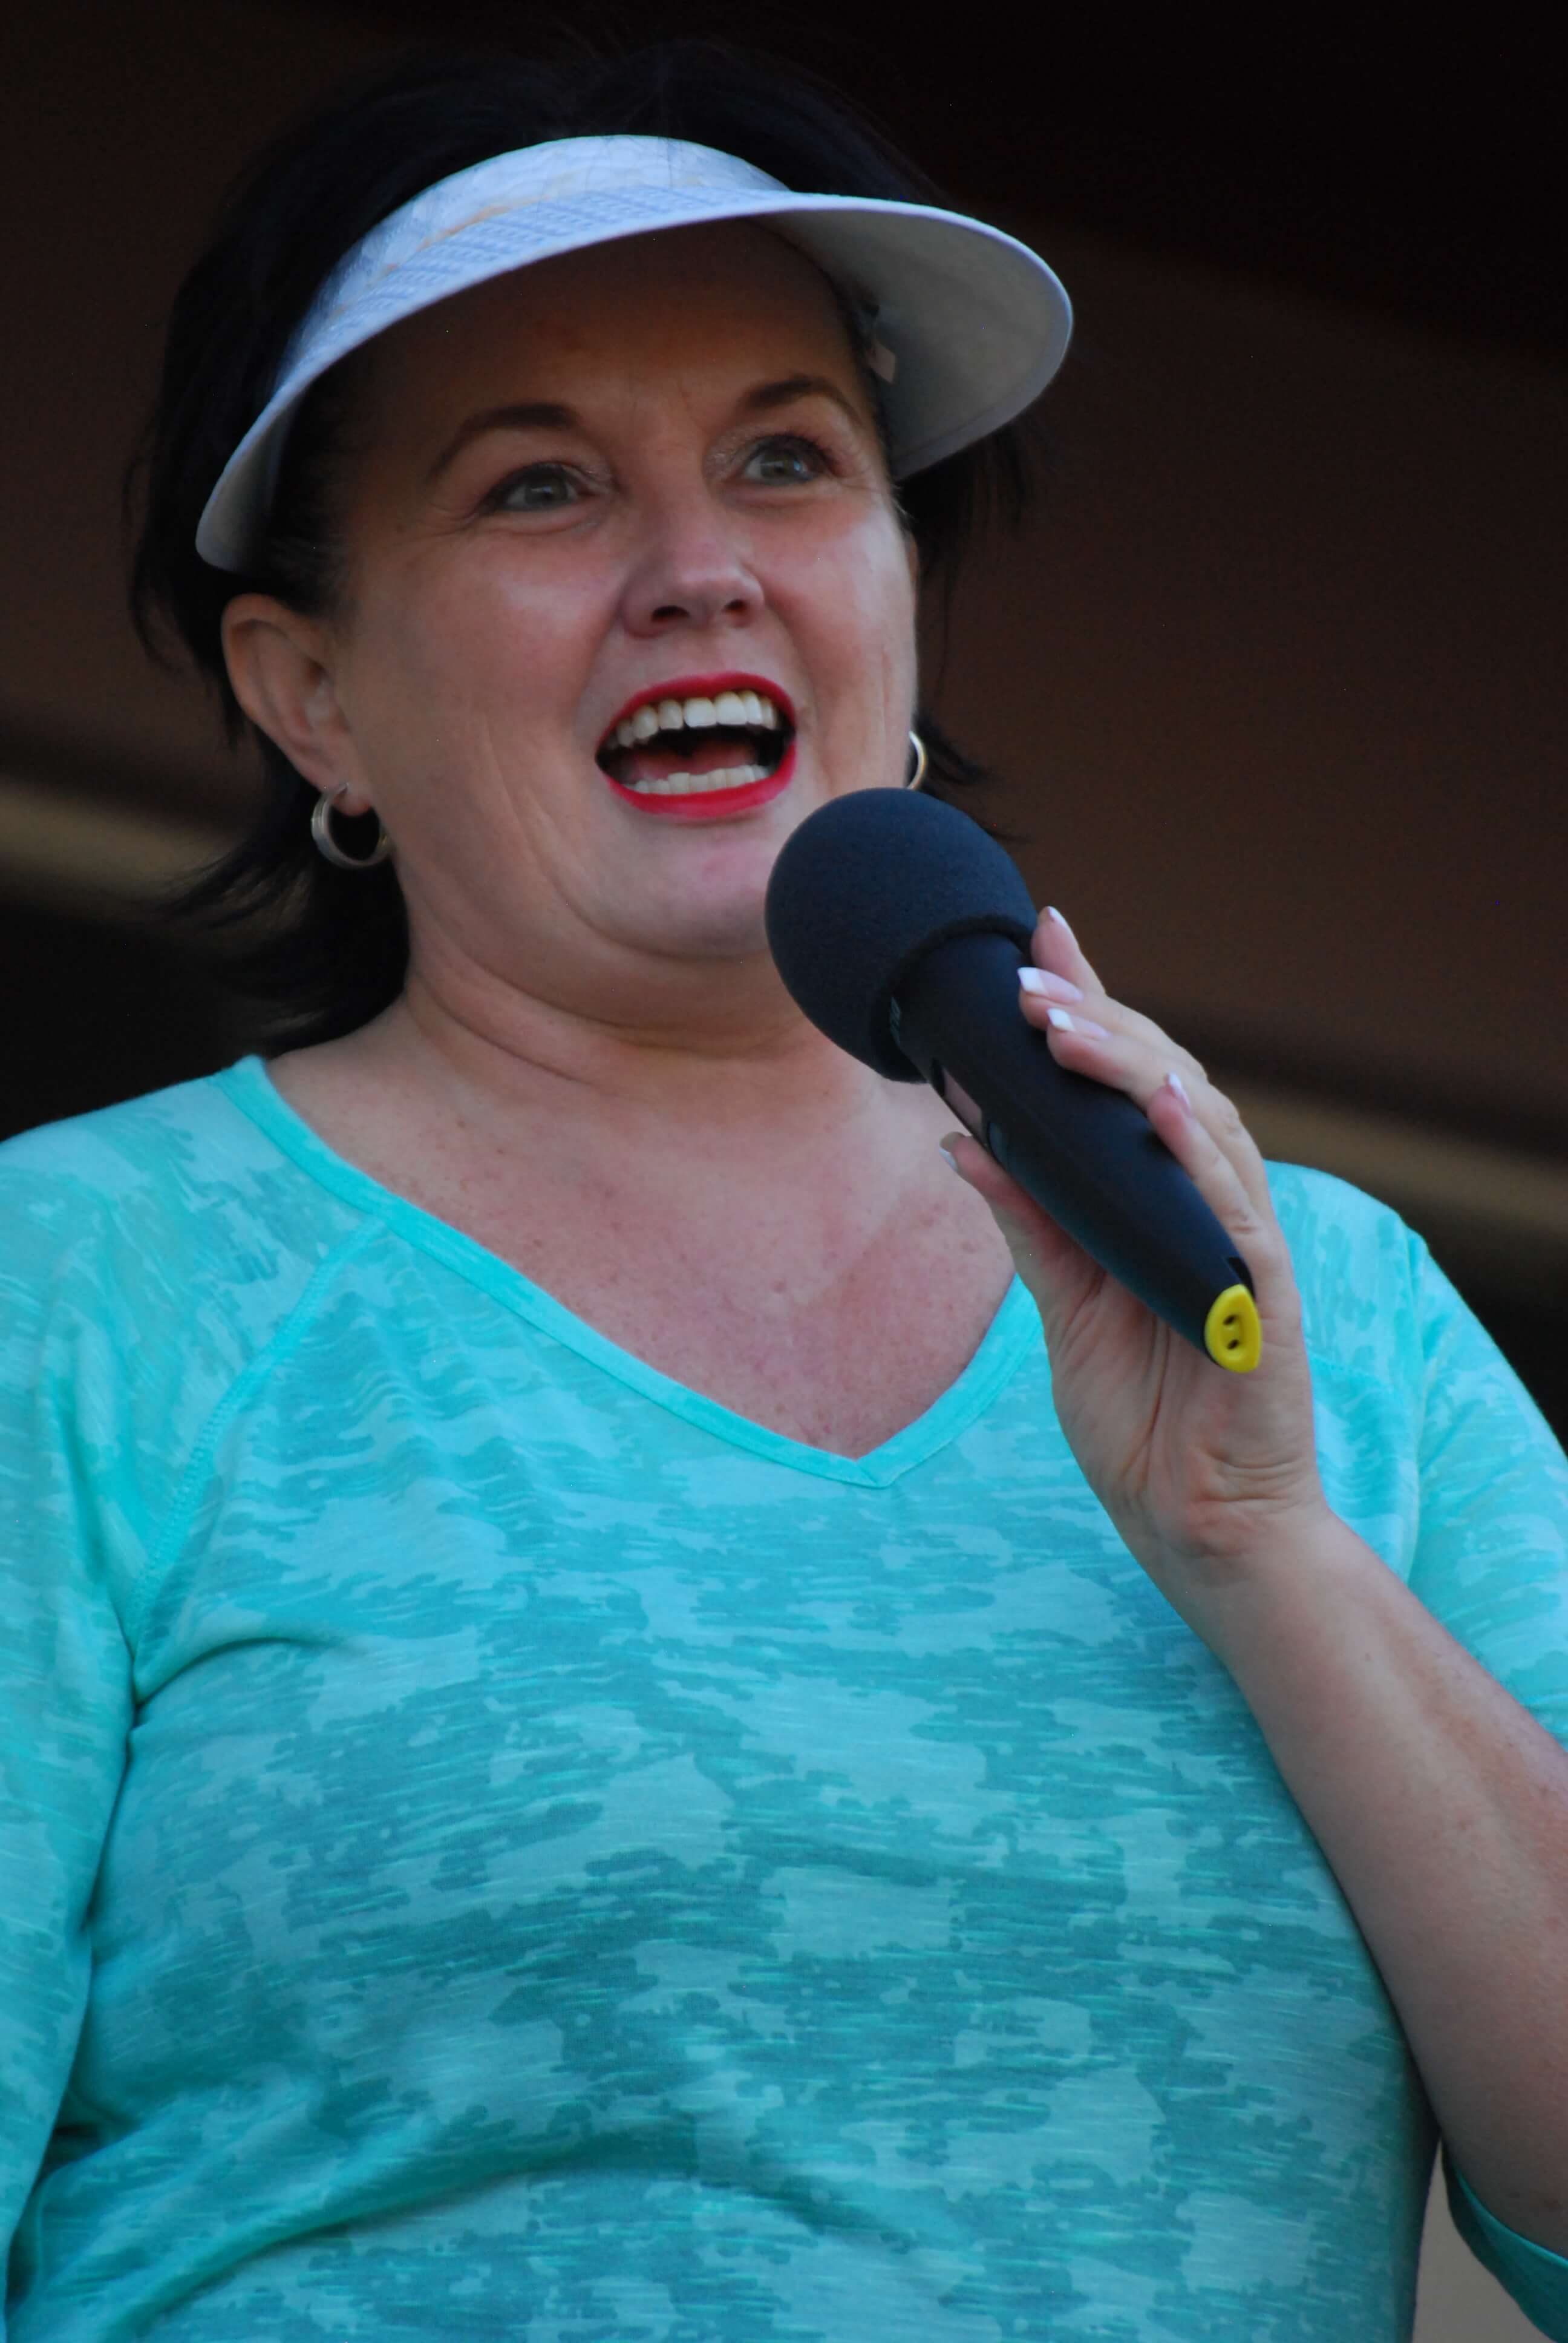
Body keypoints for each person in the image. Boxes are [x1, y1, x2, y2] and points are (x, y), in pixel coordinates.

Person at [3, 38, 1567, 2343]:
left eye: (788, 457)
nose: (701, 570)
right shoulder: (76, 1282)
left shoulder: (1324, 1299)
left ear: (900, 589)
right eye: (540, 486)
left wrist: (1267, 1546)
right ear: (309, 692)